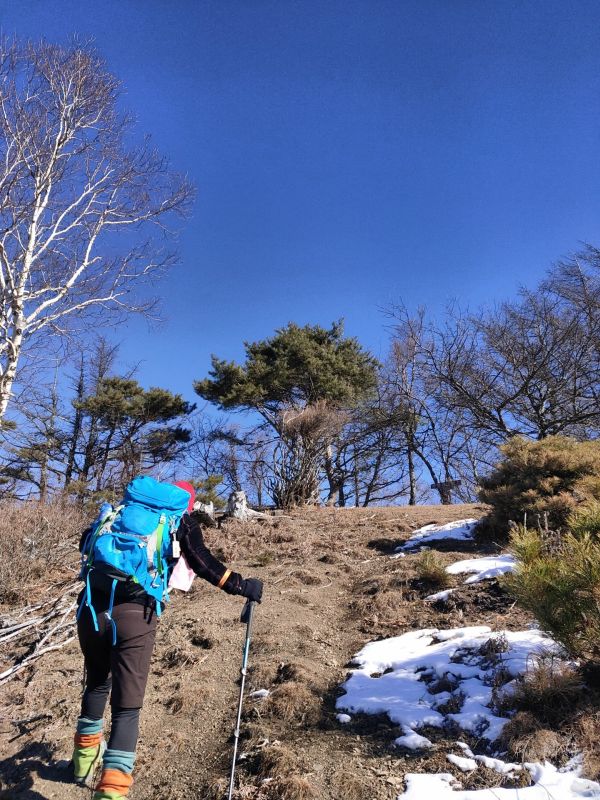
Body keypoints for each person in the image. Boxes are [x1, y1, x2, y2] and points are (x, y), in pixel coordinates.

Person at [71, 480, 263, 800]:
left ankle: (80, 765)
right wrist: (242, 585)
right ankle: (110, 793)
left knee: (96, 683)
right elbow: (203, 563)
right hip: (135, 615)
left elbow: (85, 544)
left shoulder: (120, 511)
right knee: (127, 709)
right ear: (185, 503)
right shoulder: (177, 521)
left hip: (90, 609)